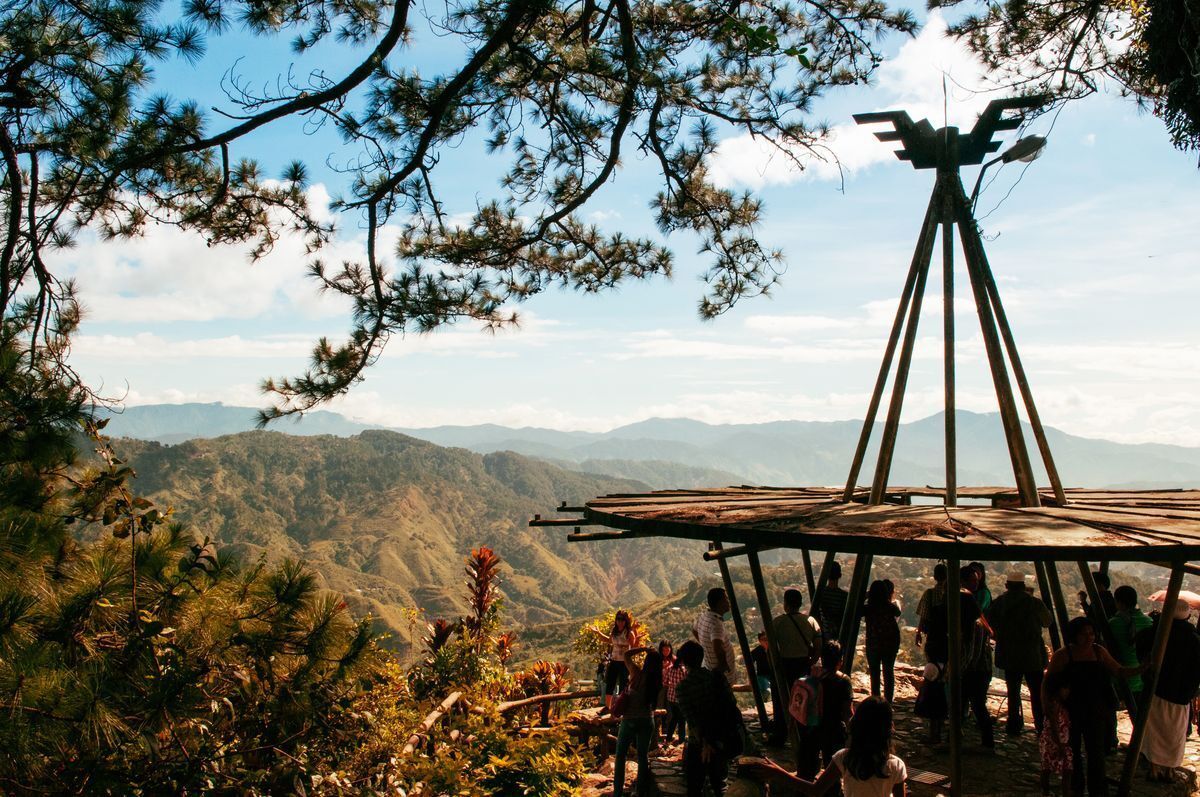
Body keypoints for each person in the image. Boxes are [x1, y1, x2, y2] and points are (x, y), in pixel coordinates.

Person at [1046, 616, 1144, 797]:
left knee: (1096, 753)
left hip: (1096, 710)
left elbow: (1119, 670)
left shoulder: (1099, 652)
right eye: (1084, 634)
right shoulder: (1063, 655)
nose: (1089, 637)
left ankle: (1098, 790)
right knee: (1072, 751)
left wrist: (1141, 669)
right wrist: (1049, 709)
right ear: (1074, 635)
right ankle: (1077, 788)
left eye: (1091, 633)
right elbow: (1048, 683)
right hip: (1071, 711)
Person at [744, 696, 908, 796]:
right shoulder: (896, 765)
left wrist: (776, 772)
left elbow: (815, 790)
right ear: (888, 729)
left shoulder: (845, 758)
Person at [1136, 600, 1200, 782]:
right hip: (1181, 694)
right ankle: (1170, 769)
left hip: (1156, 689)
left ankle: (1154, 768)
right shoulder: (1193, 639)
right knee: (1175, 733)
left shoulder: (1156, 632)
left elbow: (1141, 645)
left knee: (1153, 730)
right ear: (1187, 616)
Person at [987, 569, 1051, 734]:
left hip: (1009, 654)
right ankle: (1040, 726)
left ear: (1007, 585)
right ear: (1023, 586)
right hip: (1032, 655)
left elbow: (988, 623)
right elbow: (1047, 621)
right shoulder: (1034, 603)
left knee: (1013, 691)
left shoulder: (1000, 602)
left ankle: (1014, 724)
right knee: (1037, 693)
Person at [675, 640, 735, 797]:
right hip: (722, 736)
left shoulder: (683, 687)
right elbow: (731, 703)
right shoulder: (716, 677)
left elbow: (692, 720)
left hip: (699, 743)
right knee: (720, 784)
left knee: (694, 786)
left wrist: (705, 742)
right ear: (701, 657)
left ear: (684, 661)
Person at [770, 588, 822, 744]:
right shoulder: (811, 621)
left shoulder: (777, 622)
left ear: (785, 604)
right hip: (803, 664)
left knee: (781, 700)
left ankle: (781, 734)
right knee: (803, 698)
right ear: (800, 603)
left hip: (785, 664)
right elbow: (819, 645)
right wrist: (812, 660)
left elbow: (771, 647)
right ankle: (803, 731)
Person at [612, 645, 663, 797]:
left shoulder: (636, 673)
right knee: (643, 756)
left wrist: (644, 648)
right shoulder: (657, 682)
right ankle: (641, 791)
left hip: (629, 721)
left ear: (646, 661)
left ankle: (618, 792)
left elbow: (626, 655)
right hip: (647, 720)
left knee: (620, 755)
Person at [1108, 585, 1153, 716]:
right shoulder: (1149, 622)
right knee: (1140, 717)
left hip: (1119, 677)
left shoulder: (1112, 624)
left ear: (1119, 602)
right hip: (1142, 679)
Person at [863, 579, 901, 703]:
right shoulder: (889, 606)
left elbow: (857, 607)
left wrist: (867, 595)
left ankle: (876, 700)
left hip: (873, 643)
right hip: (890, 642)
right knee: (888, 672)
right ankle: (888, 702)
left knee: (874, 673)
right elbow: (898, 612)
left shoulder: (868, 608)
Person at [593, 610, 639, 711]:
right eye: (618, 619)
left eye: (622, 619)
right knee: (610, 683)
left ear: (626, 621)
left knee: (623, 685)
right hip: (614, 661)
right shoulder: (614, 631)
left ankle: (621, 708)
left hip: (624, 662)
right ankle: (607, 707)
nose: (620, 621)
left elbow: (634, 646)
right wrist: (598, 632)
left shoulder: (629, 632)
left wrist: (635, 631)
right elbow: (609, 640)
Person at [1039, 670, 1074, 797]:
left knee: (1065, 769)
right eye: (1065, 689)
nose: (1067, 691)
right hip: (1054, 742)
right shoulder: (1054, 706)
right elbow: (1054, 726)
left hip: (1061, 741)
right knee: (1049, 769)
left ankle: (1052, 792)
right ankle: (1047, 791)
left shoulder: (1060, 705)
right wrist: (1059, 744)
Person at [694, 587, 737, 682]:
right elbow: (717, 646)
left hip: (710, 666)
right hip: (722, 677)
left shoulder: (704, 615)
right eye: (726, 599)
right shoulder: (716, 624)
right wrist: (723, 665)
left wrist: (705, 644)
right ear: (720, 603)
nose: (728, 601)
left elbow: (694, 630)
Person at [915, 563, 948, 662]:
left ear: (934, 577)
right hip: (949, 634)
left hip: (933, 635)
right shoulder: (954, 593)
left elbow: (923, 616)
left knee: (933, 663)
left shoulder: (929, 593)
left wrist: (918, 633)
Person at [914, 662, 948, 744]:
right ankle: (938, 736)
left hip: (932, 693)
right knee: (938, 716)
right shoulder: (944, 665)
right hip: (941, 693)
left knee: (932, 716)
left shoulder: (930, 665)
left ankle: (932, 737)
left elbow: (927, 680)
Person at [662, 642, 688, 746]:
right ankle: (681, 739)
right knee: (681, 719)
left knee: (674, 718)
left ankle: (668, 739)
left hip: (671, 697)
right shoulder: (684, 670)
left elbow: (664, 682)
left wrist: (672, 685)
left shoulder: (670, 668)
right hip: (681, 698)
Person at [816, 561, 849, 640]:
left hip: (822, 636)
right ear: (840, 575)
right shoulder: (844, 596)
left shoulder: (820, 594)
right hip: (839, 636)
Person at [657, 639, 676, 740]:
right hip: (660, 687)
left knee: (670, 709)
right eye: (664, 649)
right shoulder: (658, 660)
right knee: (659, 707)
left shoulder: (674, 659)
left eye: (667, 649)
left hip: (670, 688)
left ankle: (668, 730)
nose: (666, 651)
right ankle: (658, 729)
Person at [751, 631, 772, 704]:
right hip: (762, 676)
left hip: (773, 675)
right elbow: (750, 663)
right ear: (760, 641)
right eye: (763, 639)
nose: (766, 640)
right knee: (766, 691)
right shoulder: (757, 651)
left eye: (766, 638)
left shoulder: (773, 649)